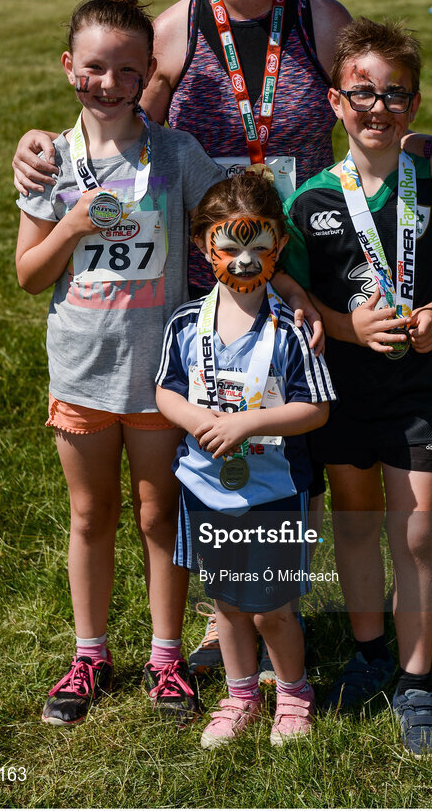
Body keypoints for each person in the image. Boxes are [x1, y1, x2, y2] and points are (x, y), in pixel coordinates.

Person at [11, 0, 432, 674]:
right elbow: (116, 129)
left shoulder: (318, 18)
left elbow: (374, 95)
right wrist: (38, 147)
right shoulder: (174, 31)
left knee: (288, 448)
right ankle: (230, 618)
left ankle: (272, 612)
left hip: (304, 264)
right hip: (202, 280)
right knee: (216, 448)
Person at [15, 0, 224, 726]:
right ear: (68, 66)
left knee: (158, 512)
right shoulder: (49, 160)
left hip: (159, 377)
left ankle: (166, 662)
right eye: (94, 67)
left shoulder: (175, 154)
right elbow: (29, 275)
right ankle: (91, 653)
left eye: (126, 70)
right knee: (89, 514)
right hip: (80, 371)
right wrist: (69, 224)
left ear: (149, 76)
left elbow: (228, 218)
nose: (108, 82)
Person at [284, 17, 432, 756]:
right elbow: (294, 292)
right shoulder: (310, 199)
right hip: (340, 387)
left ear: (416, 105)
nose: (377, 108)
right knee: (357, 520)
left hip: (419, 384)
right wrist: (345, 329)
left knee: (418, 529)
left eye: (394, 95)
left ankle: (416, 679)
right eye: (361, 94)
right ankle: (369, 651)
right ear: (335, 102)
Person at [155, 172, 335, 747]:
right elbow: (166, 391)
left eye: (258, 247)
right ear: (205, 246)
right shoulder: (186, 323)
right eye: (229, 246)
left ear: (279, 246)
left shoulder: (291, 330)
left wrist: (249, 423)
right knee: (229, 605)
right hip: (207, 491)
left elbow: (317, 409)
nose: (242, 259)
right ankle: (240, 696)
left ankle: (293, 693)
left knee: (273, 609)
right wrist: (195, 421)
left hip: (273, 492)